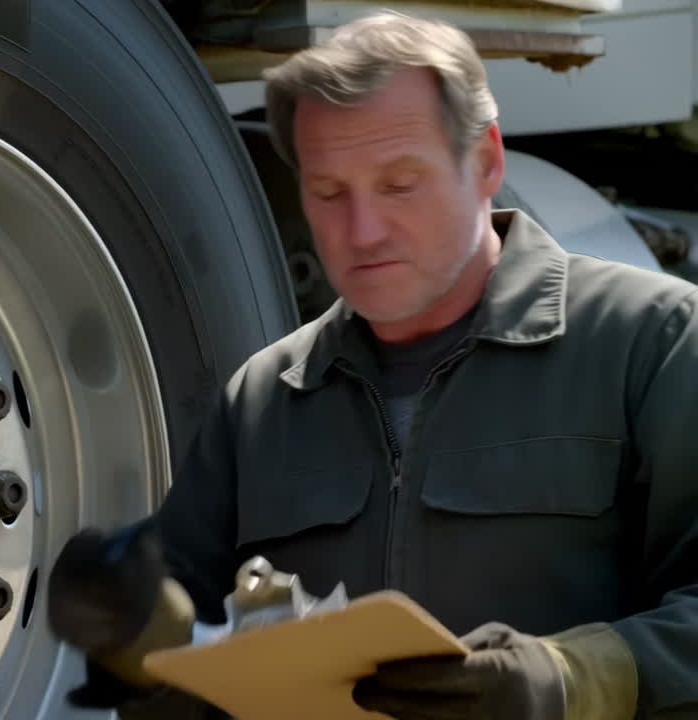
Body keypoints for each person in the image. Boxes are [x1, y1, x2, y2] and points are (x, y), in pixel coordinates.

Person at [45, 11, 698, 720]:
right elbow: (184, 679)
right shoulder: (265, 400)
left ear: (485, 162)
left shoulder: (652, 343)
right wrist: (138, 639)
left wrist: (566, 679)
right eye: (330, 193)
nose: (362, 231)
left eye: (398, 184)